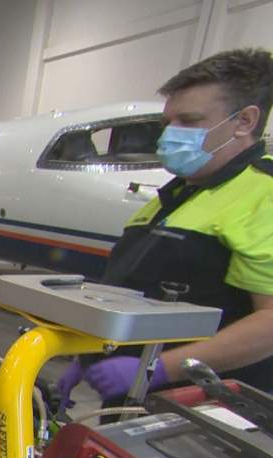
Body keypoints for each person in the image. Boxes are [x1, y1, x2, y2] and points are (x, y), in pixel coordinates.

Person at [59, 48, 273, 404]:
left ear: (244, 121)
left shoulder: (264, 196)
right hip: (136, 400)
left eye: (188, 121)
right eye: (167, 123)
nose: (170, 136)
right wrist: (89, 355)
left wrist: (161, 368)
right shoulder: (175, 194)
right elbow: (135, 289)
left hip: (203, 411)